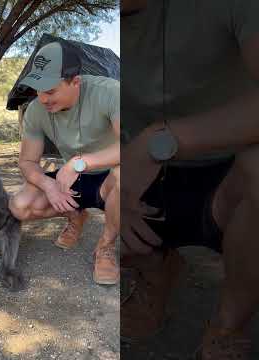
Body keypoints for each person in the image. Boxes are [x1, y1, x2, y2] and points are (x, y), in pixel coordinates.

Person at [121, 0, 259, 358]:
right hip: (145, 177)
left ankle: (228, 325)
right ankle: (156, 273)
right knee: (70, 192)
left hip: (231, 171)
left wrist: (158, 142)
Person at [8, 42, 120, 285]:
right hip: (73, 180)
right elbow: (27, 162)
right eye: (37, 89)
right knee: (20, 206)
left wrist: (79, 163)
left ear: (75, 82)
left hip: (111, 177)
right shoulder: (36, 110)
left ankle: (106, 247)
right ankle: (76, 216)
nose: (42, 99)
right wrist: (48, 186)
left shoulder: (110, 92)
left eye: (50, 90)